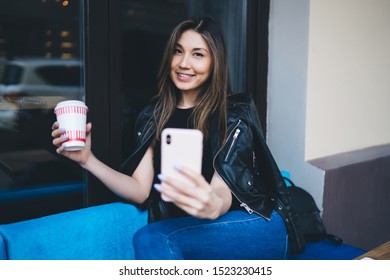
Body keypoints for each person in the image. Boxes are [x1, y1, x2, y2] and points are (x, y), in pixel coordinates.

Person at [52, 16, 304, 259]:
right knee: (158, 237)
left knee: (155, 238)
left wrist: (210, 204)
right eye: (177, 51)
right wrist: (87, 160)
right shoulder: (155, 115)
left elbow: (221, 193)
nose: (184, 63)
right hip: (190, 228)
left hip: (256, 224)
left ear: (215, 62)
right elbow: (140, 190)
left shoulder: (232, 115)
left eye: (198, 54)